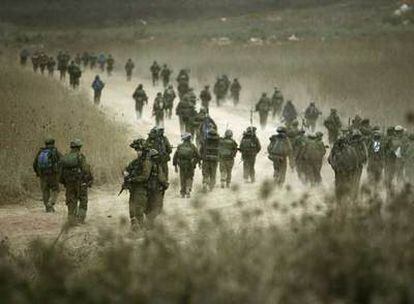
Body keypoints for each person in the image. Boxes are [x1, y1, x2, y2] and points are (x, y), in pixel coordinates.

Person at [60, 139, 93, 225]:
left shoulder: (65, 157)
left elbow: (61, 172)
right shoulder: (80, 156)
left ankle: (71, 219)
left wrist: (64, 182)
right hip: (80, 182)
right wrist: (89, 180)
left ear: (71, 147)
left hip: (69, 182)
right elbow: (86, 169)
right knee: (83, 199)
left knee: (71, 199)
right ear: (79, 147)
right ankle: (81, 219)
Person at [123, 139, 151, 230]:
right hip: (134, 188)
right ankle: (135, 227)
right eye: (137, 150)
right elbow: (127, 169)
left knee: (139, 209)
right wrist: (125, 173)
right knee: (131, 207)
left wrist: (133, 179)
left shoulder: (146, 162)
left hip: (142, 189)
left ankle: (141, 228)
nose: (138, 152)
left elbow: (145, 177)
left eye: (139, 150)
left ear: (144, 151)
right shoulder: (136, 162)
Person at [33, 138, 62, 213]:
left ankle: (47, 208)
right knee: (55, 190)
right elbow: (62, 162)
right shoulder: (55, 152)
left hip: (42, 175)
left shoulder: (40, 152)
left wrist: (38, 173)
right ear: (53, 143)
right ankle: (51, 203)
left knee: (45, 191)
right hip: (53, 175)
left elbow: (34, 164)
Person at [328, 136, 359, 204]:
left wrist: (335, 167)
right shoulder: (351, 149)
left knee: (340, 186)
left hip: (341, 172)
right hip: (346, 172)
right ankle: (345, 201)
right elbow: (355, 162)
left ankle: (341, 202)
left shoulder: (335, 150)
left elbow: (329, 160)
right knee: (347, 186)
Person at [173, 133, 201, 198]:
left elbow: (175, 156)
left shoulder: (180, 146)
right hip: (190, 165)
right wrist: (197, 163)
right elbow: (198, 156)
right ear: (189, 139)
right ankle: (188, 189)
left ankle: (182, 192)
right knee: (189, 177)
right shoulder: (192, 146)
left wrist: (175, 166)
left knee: (182, 178)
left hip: (182, 164)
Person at [146, 149, 169, 226]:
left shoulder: (145, 165)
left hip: (147, 189)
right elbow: (161, 178)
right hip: (156, 189)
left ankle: (149, 222)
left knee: (149, 206)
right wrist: (165, 185)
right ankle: (150, 222)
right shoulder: (157, 165)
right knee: (158, 207)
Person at [384, 125, 407, 194]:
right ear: (399, 132)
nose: (402, 133)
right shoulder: (395, 140)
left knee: (396, 178)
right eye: (401, 132)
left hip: (394, 162)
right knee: (395, 178)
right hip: (394, 162)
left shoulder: (392, 139)